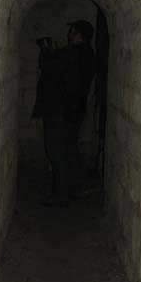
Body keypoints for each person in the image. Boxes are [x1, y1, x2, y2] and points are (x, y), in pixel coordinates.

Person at [32, 20, 96, 207]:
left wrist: (46, 49)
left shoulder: (72, 53)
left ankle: (60, 194)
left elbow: (49, 67)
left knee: (56, 151)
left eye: (73, 31)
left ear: (79, 35)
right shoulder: (87, 54)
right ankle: (75, 188)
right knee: (69, 149)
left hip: (59, 110)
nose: (69, 34)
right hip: (74, 110)